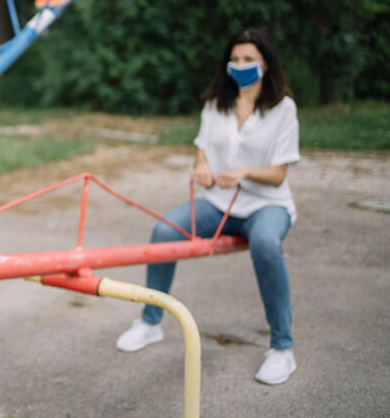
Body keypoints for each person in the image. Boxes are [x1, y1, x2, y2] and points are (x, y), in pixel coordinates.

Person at [115, 27, 300, 386]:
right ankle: (150, 323)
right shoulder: (216, 103)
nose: (240, 64)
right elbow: (204, 146)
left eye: (249, 59)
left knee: (265, 244)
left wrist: (244, 172)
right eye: (235, 58)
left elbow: (278, 175)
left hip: (266, 204)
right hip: (217, 202)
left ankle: (282, 349)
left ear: (266, 63)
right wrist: (202, 166)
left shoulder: (283, 109)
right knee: (164, 231)